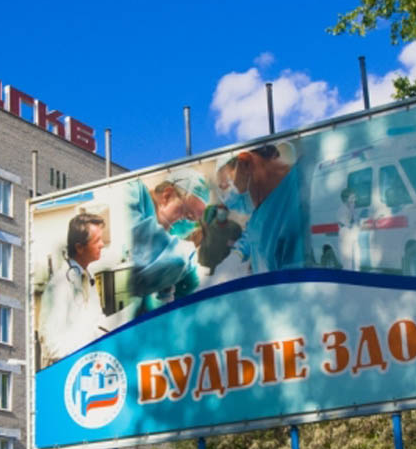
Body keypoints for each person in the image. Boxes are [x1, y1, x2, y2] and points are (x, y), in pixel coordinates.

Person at [126, 169, 209, 315]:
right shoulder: (134, 192)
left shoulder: (165, 235)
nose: (186, 223)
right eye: (187, 214)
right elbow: (142, 256)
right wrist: (186, 254)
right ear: (167, 195)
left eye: (193, 220)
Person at [218, 144, 307, 273]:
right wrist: (237, 254)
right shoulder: (266, 210)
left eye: (228, 185)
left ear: (246, 163)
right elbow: (253, 234)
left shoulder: (299, 196)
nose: (231, 200)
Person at [38, 212, 107, 364]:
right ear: (79, 248)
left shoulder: (87, 278)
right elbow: (53, 347)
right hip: (67, 370)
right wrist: (91, 345)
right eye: (97, 240)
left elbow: (97, 323)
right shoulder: (58, 286)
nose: (102, 244)